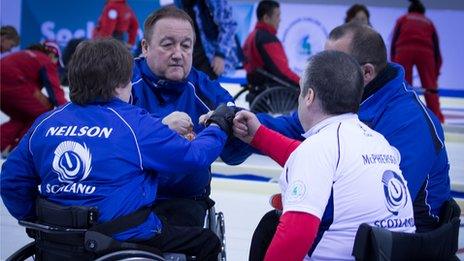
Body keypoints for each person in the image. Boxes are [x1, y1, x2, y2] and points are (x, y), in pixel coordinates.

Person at [0, 38, 237, 260]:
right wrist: (219, 124)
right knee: (207, 241)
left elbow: (11, 183)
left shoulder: (45, 123)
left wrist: (38, 220)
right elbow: (194, 157)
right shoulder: (135, 124)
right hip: (122, 242)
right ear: (123, 82)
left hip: (56, 244)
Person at [236, 22, 450, 234]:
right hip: (362, 233)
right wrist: (235, 122)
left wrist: (304, 199)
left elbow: (382, 204)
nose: (321, 74)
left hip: (409, 242)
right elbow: (293, 128)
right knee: (270, 228)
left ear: (366, 72)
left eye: (334, 65)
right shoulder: (344, 96)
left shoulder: (410, 123)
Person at [233, 50, 415, 260]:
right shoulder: (377, 141)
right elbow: (312, 160)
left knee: (270, 227)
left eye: (300, 91)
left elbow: (295, 235)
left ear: (309, 96)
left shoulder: (320, 147)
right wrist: (259, 136)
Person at [132, 6, 240, 227]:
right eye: (168, 44)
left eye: (185, 46)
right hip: (131, 201)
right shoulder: (124, 81)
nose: (178, 54)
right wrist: (158, 128)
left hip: (186, 202)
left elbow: (233, 110)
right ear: (145, 47)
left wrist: (224, 119)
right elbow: (104, 133)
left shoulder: (200, 85)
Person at [1, 42, 67, 156]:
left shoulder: (25, 56)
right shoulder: (44, 60)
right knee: (45, 112)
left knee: (22, 116)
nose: (55, 66)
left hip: (6, 89)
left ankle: (5, 145)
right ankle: (20, 150)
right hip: (15, 85)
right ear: (52, 54)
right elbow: (55, 91)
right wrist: (68, 110)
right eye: (56, 61)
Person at [391, 0, 444, 122]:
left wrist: (394, 66)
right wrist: (435, 73)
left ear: (409, 10)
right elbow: (436, 49)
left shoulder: (402, 19)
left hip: (403, 49)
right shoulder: (429, 22)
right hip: (426, 51)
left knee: (402, 84)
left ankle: (402, 113)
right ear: (423, 12)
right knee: (430, 87)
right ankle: (436, 118)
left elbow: (393, 42)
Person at [174, 0, 241, 79]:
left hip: (211, 57)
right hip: (191, 56)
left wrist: (220, 54)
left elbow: (229, 25)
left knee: (210, 87)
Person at [242, 0, 299, 89]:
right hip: (274, 90)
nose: (280, 19)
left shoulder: (252, 36)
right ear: (266, 18)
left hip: (258, 85)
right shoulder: (267, 39)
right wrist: (302, 82)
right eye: (277, 16)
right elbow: (282, 72)